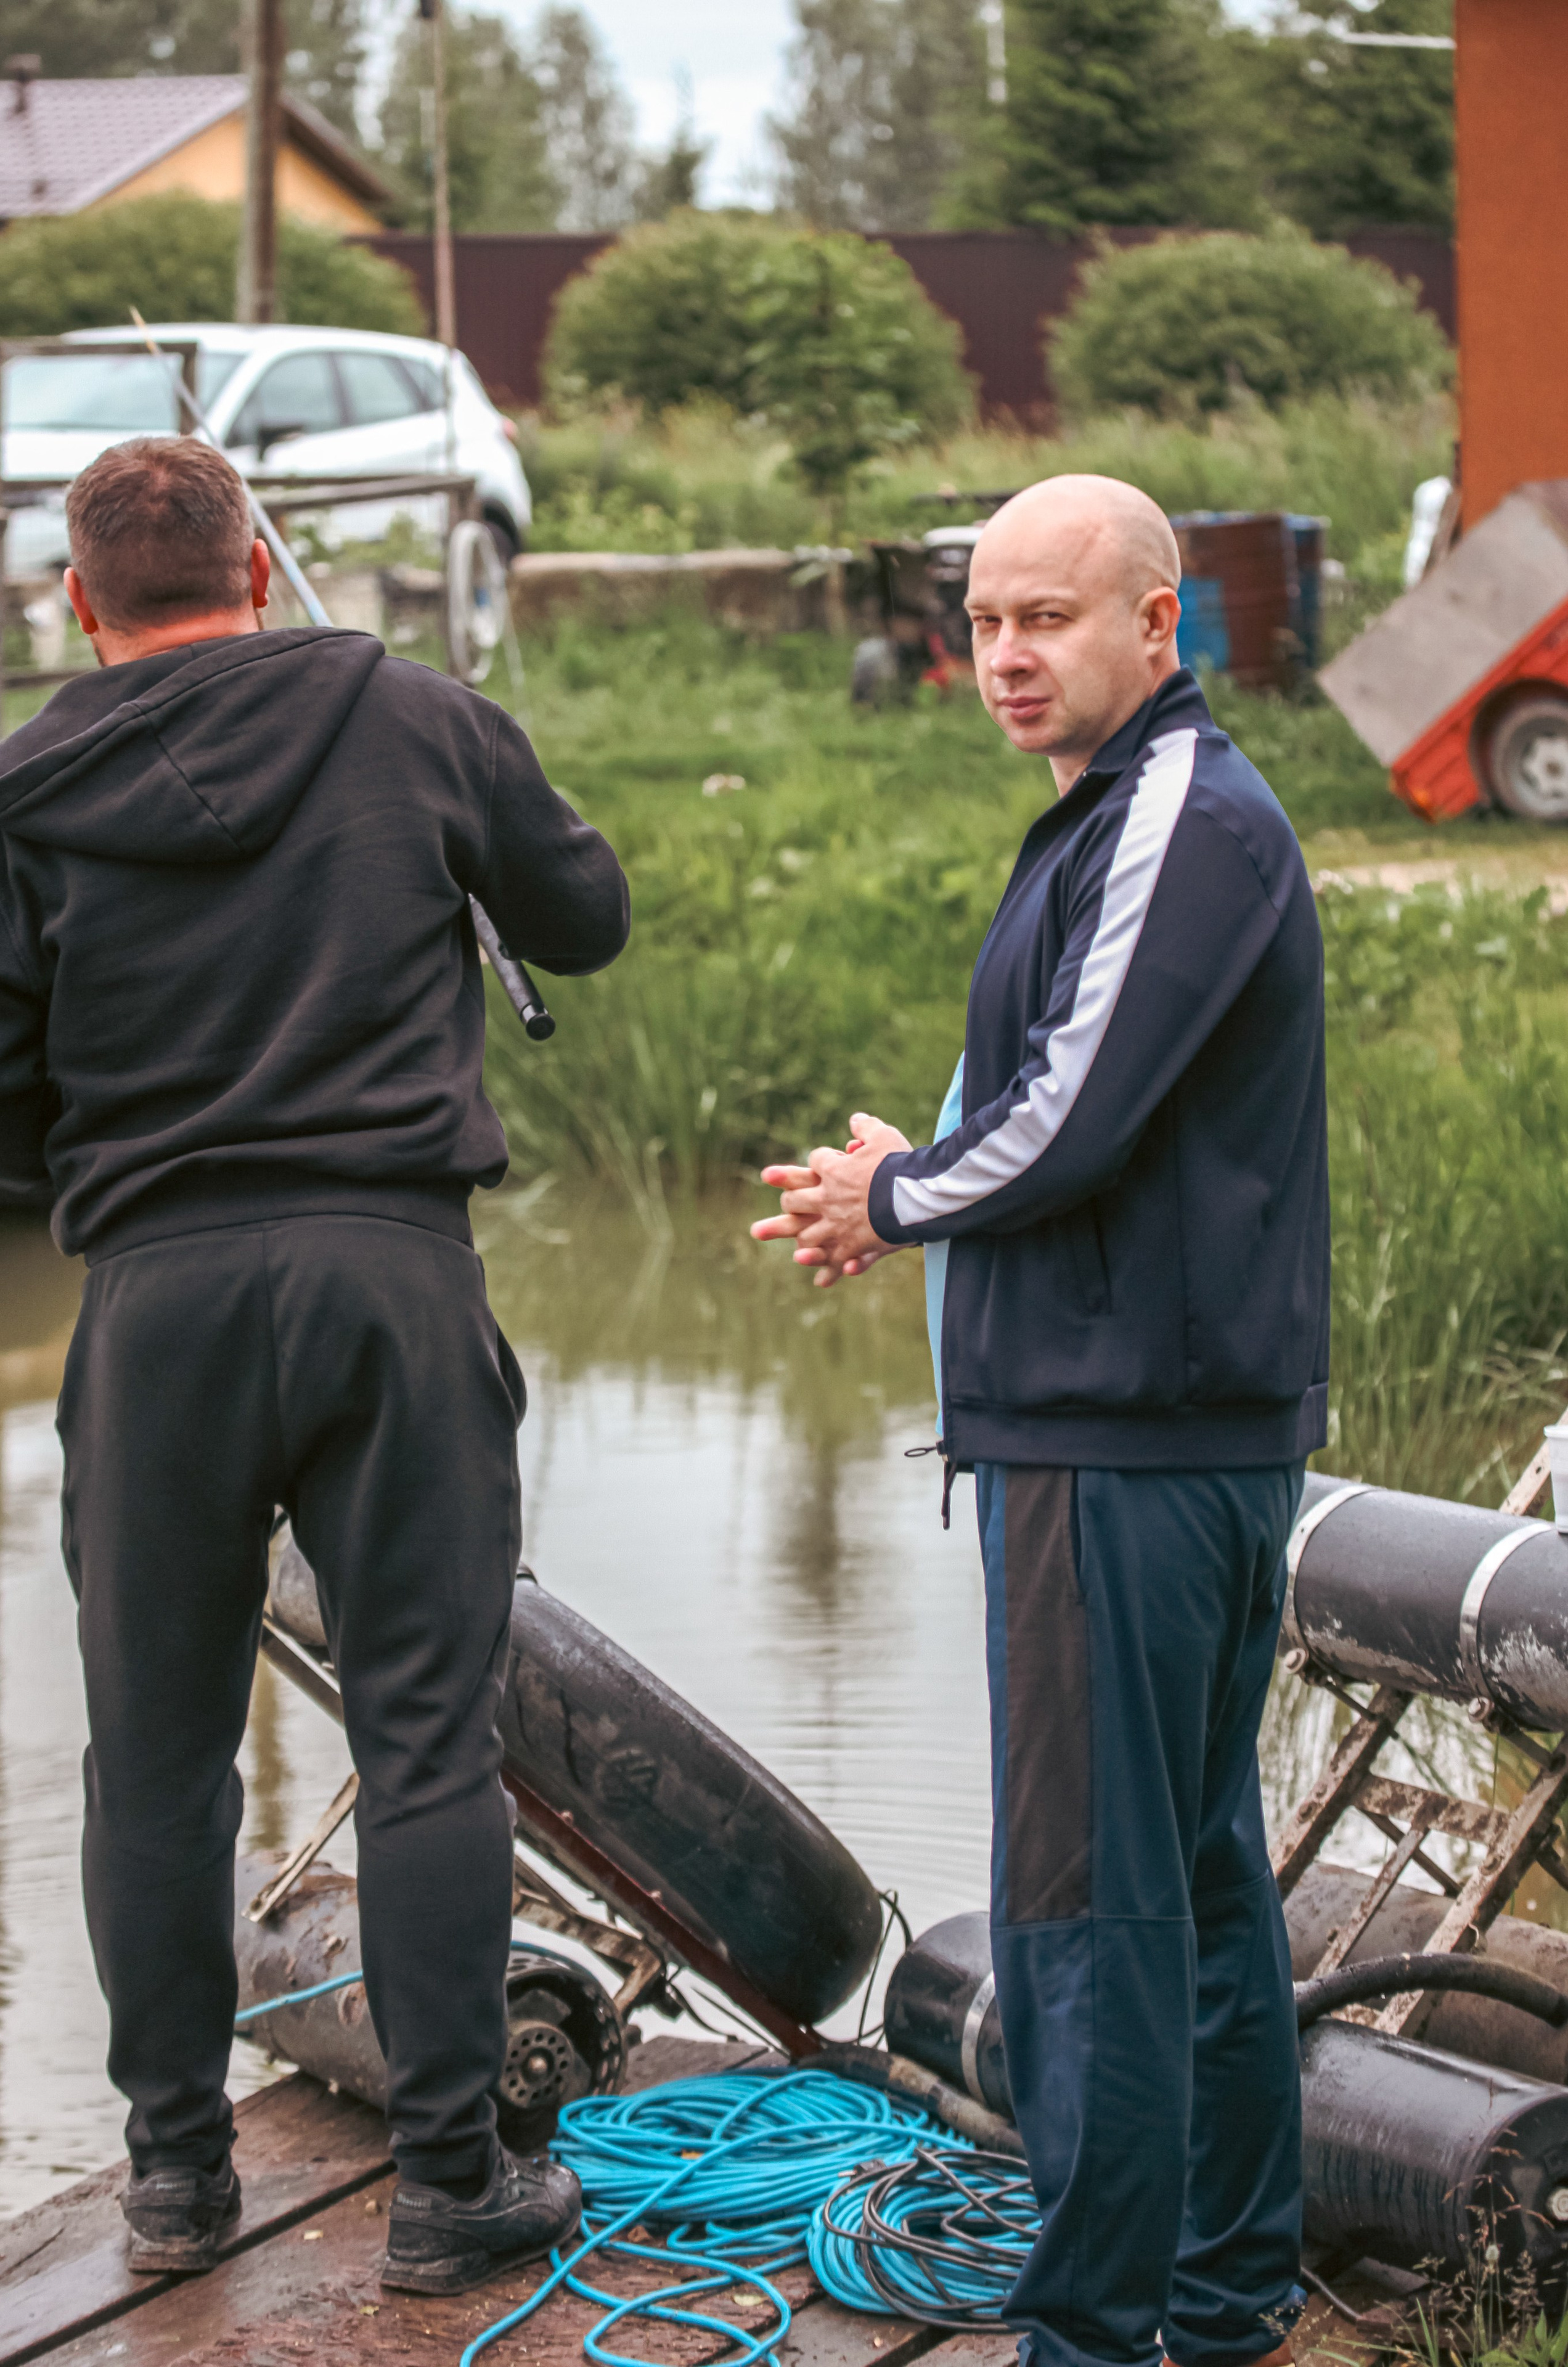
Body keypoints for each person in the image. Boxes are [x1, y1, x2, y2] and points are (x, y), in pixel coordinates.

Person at [0, 438, 629, 2294]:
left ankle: (175, 2187)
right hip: (391, 1274)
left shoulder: (19, 794)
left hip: (156, 1302)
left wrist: (125, 1172)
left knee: (159, 1762)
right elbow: (581, 919)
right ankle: (453, 2193)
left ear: (77, 603)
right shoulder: (423, 718)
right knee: (428, 1743)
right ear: (260, 575)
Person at [754, 475, 1328, 2367]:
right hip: (1143, 1432)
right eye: (984, 619)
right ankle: (1225, 2293)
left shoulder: (1180, 807)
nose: (1003, 654)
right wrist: (916, 1169)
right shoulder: (1112, 810)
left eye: (1049, 618)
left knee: (1088, 1919)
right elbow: (1057, 1103)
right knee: (1205, 1891)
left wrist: (900, 1195)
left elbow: (1074, 1110)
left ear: (1159, 627)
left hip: (1125, 1448)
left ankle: (1094, 2336)